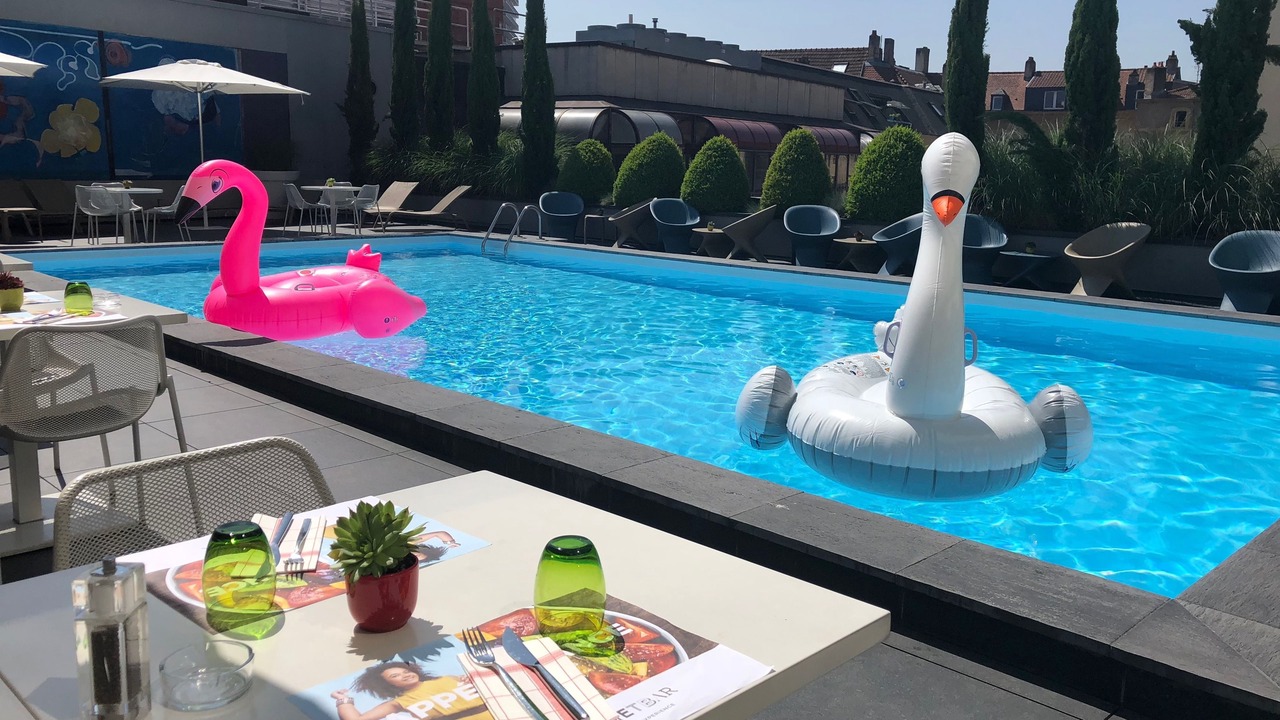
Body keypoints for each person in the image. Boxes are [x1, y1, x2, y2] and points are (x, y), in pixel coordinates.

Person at [331, 661, 489, 720]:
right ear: (388, 685)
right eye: (395, 676)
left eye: (405, 671)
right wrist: (342, 700)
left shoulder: (448, 678)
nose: (405, 675)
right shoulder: (399, 702)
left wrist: (474, 676)